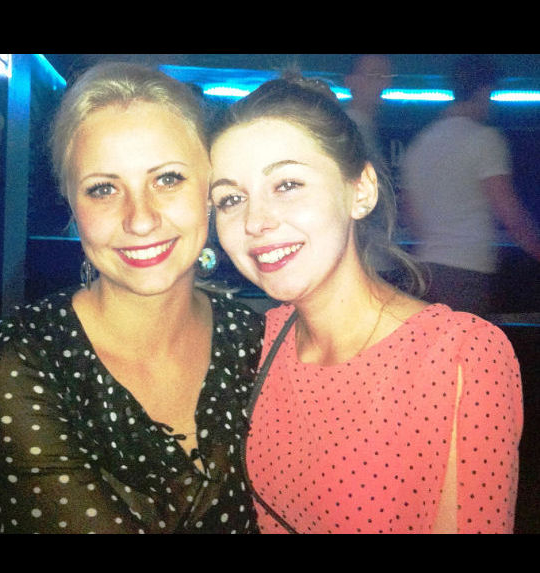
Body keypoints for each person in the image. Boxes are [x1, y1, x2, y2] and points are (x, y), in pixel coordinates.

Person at [208, 73, 523, 534]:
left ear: (361, 191)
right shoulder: (253, 344)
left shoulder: (461, 356)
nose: (255, 221)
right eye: (231, 199)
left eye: (287, 184)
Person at [0, 62, 265, 534]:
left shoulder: (257, 341)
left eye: (167, 179)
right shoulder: (20, 362)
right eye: (103, 189)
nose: (139, 219)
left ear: (210, 190)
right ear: (72, 203)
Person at [402, 54, 540, 315]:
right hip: (466, 274)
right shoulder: (484, 140)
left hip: (425, 272)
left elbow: (410, 215)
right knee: (468, 342)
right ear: (484, 91)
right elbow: (510, 215)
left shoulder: (419, 144)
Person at [344, 54, 392, 171]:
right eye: (375, 76)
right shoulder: (347, 131)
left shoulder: (369, 128)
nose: (385, 84)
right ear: (350, 81)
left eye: (387, 76)